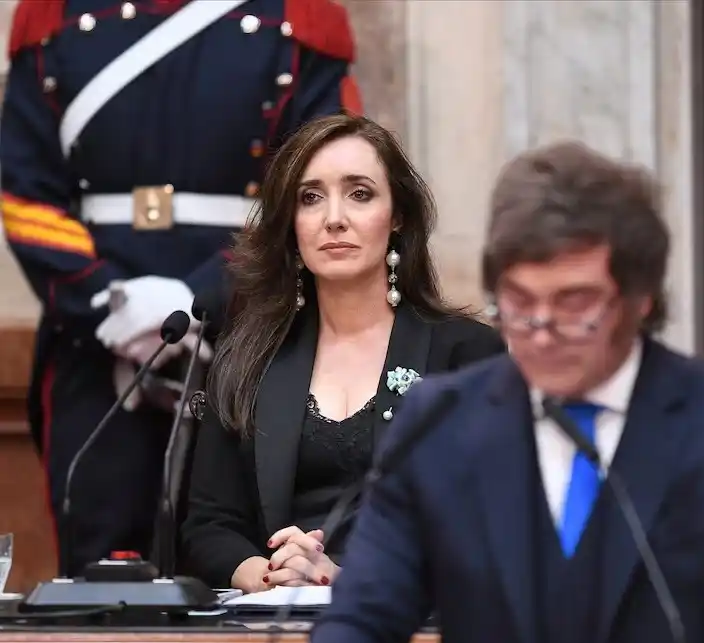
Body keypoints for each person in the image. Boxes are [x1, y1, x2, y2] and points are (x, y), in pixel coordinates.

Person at [306, 142, 704, 643]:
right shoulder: (439, 423)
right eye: (518, 302)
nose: (540, 330)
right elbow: (364, 619)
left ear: (640, 297)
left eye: (574, 303)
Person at [0, 0, 363, 577]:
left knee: (249, 563)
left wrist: (201, 301)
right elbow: (24, 194)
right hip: (96, 347)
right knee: (99, 583)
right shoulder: (53, 15)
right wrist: (108, 302)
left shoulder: (298, 14)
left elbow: (322, 176)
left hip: (251, 338)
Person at [178, 113, 506, 593]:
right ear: (291, 224)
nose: (334, 218)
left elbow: (490, 528)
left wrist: (341, 580)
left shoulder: (469, 356)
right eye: (310, 198)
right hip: (273, 626)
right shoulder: (248, 357)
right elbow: (208, 525)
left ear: (397, 216)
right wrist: (274, 577)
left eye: (360, 194)